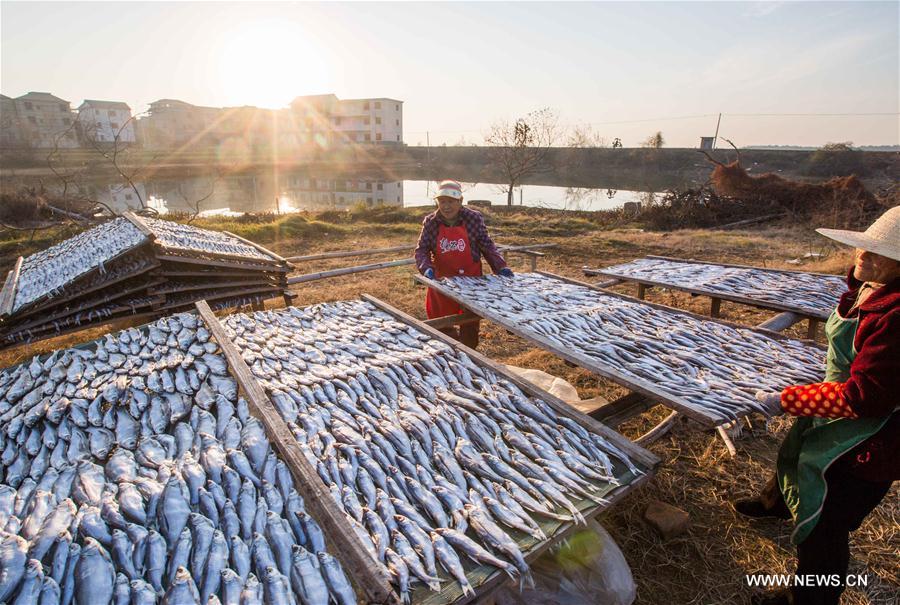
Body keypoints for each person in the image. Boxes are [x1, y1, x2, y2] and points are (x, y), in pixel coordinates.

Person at [741, 206, 899, 605]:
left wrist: (788, 399)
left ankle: (809, 598)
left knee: (827, 524)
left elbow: (863, 397)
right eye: (863, 247)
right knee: (795, 454)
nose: (861, 256)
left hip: (869, 437)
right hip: (837, 403)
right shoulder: (869, 288)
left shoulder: (897, 318)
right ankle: (773, 505)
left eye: (877, 252)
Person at [414, 180, 513, 349]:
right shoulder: (431, 222)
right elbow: (422, 249)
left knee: (469, 321)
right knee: (442, 323)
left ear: (460, 201)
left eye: (451, 201)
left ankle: (469, 351)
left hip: (471, 279)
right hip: (443, 280)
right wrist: (426, 268)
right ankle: (449, 351)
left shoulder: (473, 218)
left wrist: (500, 266)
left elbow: (486, 245)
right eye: (442, 201)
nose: (446, 206)